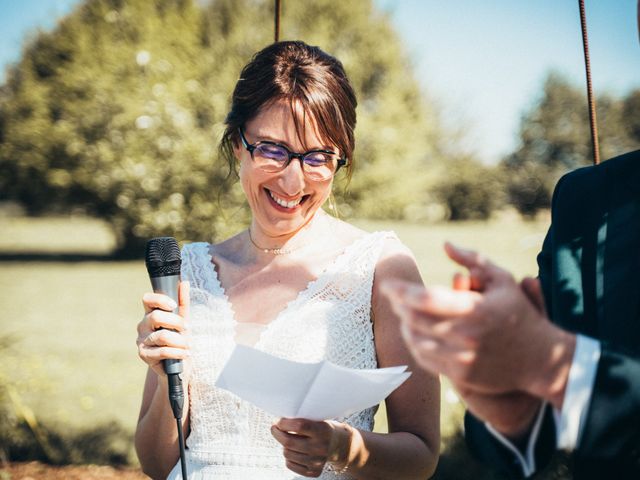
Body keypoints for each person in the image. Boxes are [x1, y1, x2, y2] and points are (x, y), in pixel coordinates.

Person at [134, 41, 440, 480]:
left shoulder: (381, 268)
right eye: (272, 149)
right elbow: (157, 464)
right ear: (238, 144)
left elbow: (423, 455)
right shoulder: (192, 271)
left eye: (317, 157)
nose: (293, 181)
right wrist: (167, 377)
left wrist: (342, 447)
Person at [382, 6, 640, 479]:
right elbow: (511, 441)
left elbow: (556, 367)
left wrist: (556, 369)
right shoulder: (588, 199)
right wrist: (508, 401)